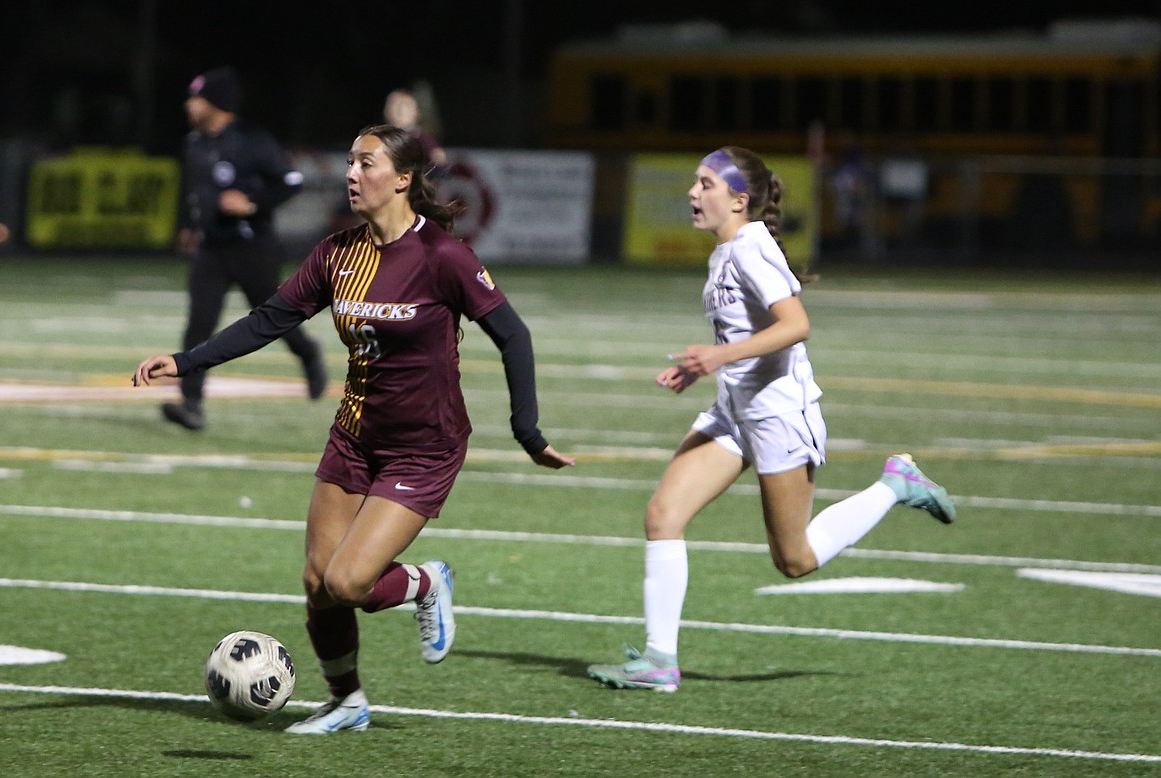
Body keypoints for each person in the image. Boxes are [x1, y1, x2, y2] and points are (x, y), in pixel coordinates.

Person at [133, 124, 576, 732]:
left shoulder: (442, 255)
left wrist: (527, 432)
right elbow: (269, 320)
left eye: (365, 163)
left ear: (401, 178)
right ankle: (347, 701)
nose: (350, 173)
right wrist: (185, 363)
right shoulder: (338, 253)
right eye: (349, 161)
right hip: (354, 436)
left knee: (348, 580)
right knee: (318, 581)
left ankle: (425, 583)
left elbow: (513, 336)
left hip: (425, 447)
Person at [586, 146, 955, 693]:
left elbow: (796, 325)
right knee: (663, 515)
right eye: (695, 182)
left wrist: (716, 358)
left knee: (795, 559)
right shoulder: (726, 249)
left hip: (778, 417)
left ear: (739, 200)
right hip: (735, 413)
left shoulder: (750, 249)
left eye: (706, 183)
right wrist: (704, 369)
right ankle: (660, 662)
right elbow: (744, 335)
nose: (693, 192)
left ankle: (894, 485)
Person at [163, 65, 327, 430]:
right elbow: (195, 194)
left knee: (274, 320)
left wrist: (252, 202)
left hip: (252, 249)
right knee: (199, 324)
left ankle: (307, 352)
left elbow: (291, 182)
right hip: (212, 251)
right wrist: (190, 226)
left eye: (197, 98)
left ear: (217, 103)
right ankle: (191, 403)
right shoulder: (195, 144)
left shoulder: (252, 141)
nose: (189, 105)